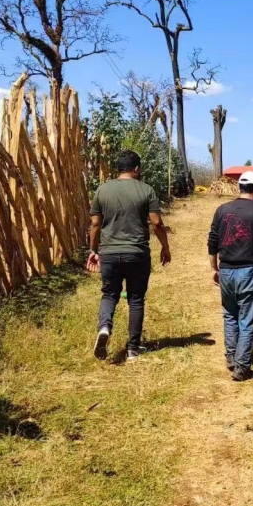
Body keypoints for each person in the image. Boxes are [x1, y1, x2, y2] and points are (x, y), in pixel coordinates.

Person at [88, 150, 171, 363]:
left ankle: (105, 327)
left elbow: (95, 224)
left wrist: (93, 250)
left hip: (109, 253)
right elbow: (157, 223)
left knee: (109, 295)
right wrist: (165, 247)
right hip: (137, 253)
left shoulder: (102, 190)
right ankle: (133, 349)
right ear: (136, 169)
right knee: (135, 299)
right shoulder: (146, 190)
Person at [208, 171, 253, 382]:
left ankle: (231, 357)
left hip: (225, 270)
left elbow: (213, 241)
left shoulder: (222, 210)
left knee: (230, 314)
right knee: (246, 319)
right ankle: (242, 367)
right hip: (249, 271)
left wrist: (214, 268)